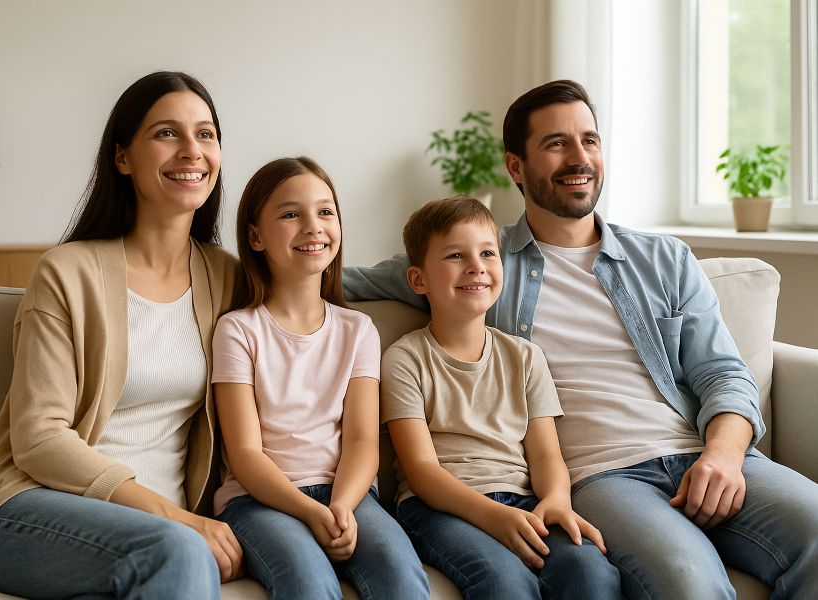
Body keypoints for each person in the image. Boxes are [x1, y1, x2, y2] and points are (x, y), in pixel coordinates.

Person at [343, 80, 818, 598]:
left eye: (589, 140)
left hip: (705, 452)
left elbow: (724, 374)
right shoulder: (481, 259)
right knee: (690, 583)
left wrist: (723, 455)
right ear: (516, 167)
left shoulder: (665, 259)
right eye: (556, 144)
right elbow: (333, 280)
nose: (579, 158)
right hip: (604, 480)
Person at [0, 71, 242, 599]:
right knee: (179, 551)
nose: (191, 150)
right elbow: (39, 437)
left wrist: (412, 280)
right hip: (35, 506)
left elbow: (311, 282)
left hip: (150, 535)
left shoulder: (226, 276)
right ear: (122, 158)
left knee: (172, 558)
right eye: (166, 133)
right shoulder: (67, 272)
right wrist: (174, 517)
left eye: (205, 134)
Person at [211, 156, 429, 600]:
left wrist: (342, 505)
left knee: (401, 575)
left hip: (346, 494)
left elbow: (363, 441)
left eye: (325, 211)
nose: (313, 226)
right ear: (255, 236)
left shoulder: (358, 329)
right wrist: (309, 512)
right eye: (291, 214)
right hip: (258, 500)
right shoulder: (237, 330)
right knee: (308, 582)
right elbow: (246, 453)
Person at [382, 195, 620, 599]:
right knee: (504, 581)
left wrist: (557, 500)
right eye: (455, 255)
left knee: (590, 570)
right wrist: (494, 517)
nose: (476, 266)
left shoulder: (525, 357)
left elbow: (545, 456)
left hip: (521, 499)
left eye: (487, 253)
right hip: (438, 507)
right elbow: (421, 471)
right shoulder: (405, 359)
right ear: (419, 280)